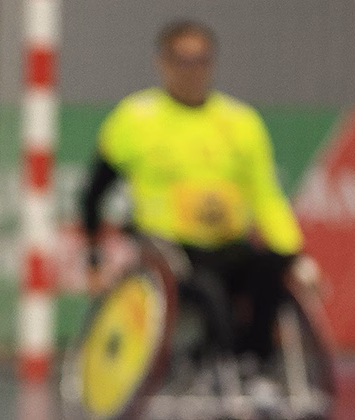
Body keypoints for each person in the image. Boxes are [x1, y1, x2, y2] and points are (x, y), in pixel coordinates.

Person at [80, 20, 303, 374]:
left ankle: (253, 363)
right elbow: (93, 194)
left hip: (228, 245)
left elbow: (267, 197)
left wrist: (295, 256)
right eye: (182, 61)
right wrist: (94, 262)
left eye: (201, 61)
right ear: (163, 63)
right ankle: (218, 361)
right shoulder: (135, 120)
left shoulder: (242, 122)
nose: (192, 71)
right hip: (169, 251)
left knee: (271, 269)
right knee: (207, 290)